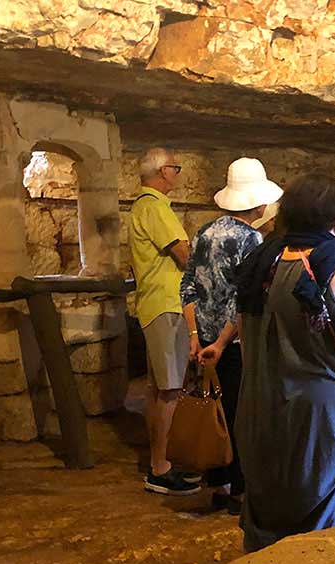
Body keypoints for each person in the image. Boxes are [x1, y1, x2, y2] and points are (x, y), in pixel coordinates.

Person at [235, 174, 335, 552]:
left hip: (258, 402)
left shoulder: (260, 259)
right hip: (319, 410)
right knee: (324, 517)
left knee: (269, 501)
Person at [180, 158, 283, 515]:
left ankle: (219, 484)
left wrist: (195, 337)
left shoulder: (204, 233)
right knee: (240, 414)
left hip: (204, 338)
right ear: (258, 203)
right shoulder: (253, 240)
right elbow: (244, 299)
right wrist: (222, 344)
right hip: (233, 343)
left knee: (215, 410)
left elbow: (188, 286)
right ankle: (240, 490)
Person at [129, 147, 200, 496]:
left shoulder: (143, 206)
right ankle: (160, 468)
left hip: (153, 304)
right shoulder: (155, 207)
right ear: (161, 172)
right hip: (166, 304)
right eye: (175, 166)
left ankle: (160, 461)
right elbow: (184, 254)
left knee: (158, 388)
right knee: (170, 389)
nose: (178, 173)